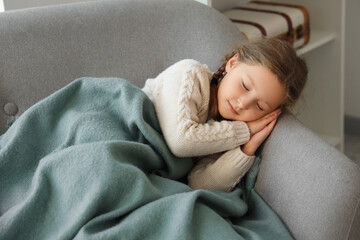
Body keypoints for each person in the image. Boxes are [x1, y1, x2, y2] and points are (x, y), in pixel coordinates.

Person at [142, 37, 308, 192]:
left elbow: (198, 185)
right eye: (245, 86)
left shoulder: (224, 133)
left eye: (259, 106)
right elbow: (181, 141)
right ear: (232, 63)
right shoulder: (191, 74)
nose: (243, 103)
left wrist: (246, 150)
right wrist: (245, 131)